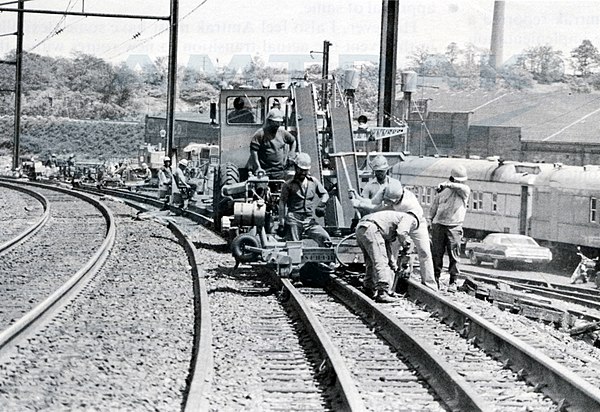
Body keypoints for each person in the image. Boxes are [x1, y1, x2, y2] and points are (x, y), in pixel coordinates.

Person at [351, 179, 438, 291]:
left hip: (415, 222)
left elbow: (377, 209)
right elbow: (373, 203)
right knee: (391, 253)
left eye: (391, 202)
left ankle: (430, 284)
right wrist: (358, 198)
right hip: (396, 224)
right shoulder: (387, 190)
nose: (388, 204)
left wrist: (359, 204)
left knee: (424, 251)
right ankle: (389, 286)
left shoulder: (408, 202)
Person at [355, 210, 418, 303]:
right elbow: (401, 233)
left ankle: (368, 287)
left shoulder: (391, 219)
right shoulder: (410, 218)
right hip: (372, 229)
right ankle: (382, 292)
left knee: (371, 261)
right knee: (381, 261)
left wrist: (393, 265)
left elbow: (387, 248)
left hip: (362, 228)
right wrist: (406, 245)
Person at [428, 164, 471, 291]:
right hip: (439, 225)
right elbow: (434, 206)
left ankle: (453, 281)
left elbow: (462, 187)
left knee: (454, 254)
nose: (460, 182)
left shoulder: (464, 191)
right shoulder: (442, 192)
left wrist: (447, 184)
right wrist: (430, 220)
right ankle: (435, 279)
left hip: (454, 226)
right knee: (437, 253)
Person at [278, 152, 331, 247]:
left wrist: (322, 203)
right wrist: (281, 222)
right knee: (294, 245)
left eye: (305, 170)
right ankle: (295, 261)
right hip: (294, 219)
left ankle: (326, 261)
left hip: (309, 220)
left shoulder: (313, 182)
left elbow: (325, 194)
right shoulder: (288, 185)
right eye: (301, 170)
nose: (303, 172)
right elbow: (282, 203)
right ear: (295, 167)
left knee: (325, 239)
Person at [249, 108, 297, 180]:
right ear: (269, 121)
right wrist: (258, 167)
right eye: (275, 122)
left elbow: (293, 141)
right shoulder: (260, 134)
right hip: (264, 171)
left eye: (279, 122)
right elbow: (253, 151)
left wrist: (292, 153)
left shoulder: (283, 133)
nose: (277, 125)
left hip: (280, 171)